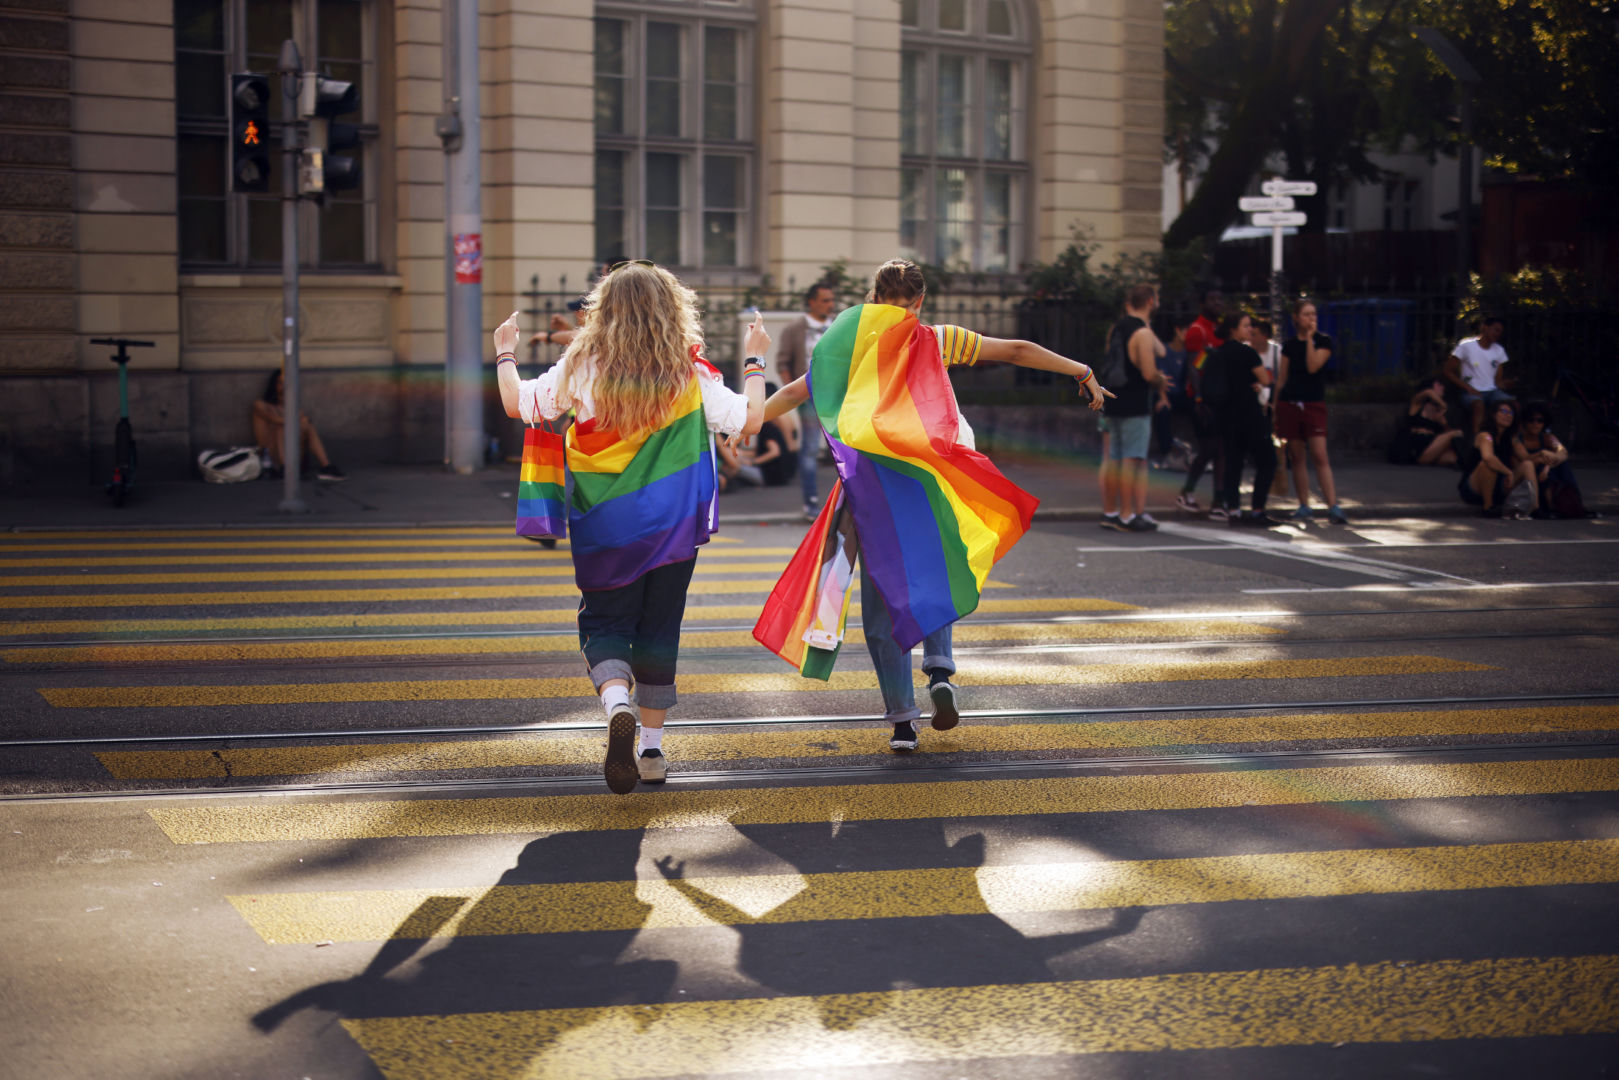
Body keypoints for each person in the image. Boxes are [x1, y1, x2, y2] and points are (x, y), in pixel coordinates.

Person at [761, 258, 1110, 753]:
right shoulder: (936, 339)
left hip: (869, 493)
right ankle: (941, 671)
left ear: (873, 300)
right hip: (926, 486)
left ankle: (903, 723)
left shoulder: (848, 351)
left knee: (880, 609)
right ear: (919, 302)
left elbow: (797, 392)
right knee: (934, 577)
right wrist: (1082, 370)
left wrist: (745, 423)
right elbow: (1015, 349)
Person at [492, 261, 768, 794]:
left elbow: (517, 403)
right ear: (672, 311)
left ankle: (616, 703)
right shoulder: (691, 372)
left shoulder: (581, 365)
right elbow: (749, 420)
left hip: (605, 525)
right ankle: (652, 751)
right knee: (660, 629)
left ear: (605, 310)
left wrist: (506, 349)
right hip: (671, 528)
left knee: (605, 621)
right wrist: (754, 356)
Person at [1098, 283, 1167, 533]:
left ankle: (1111, 511)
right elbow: (1149, 372)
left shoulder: (1117, 328)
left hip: (1113, 400)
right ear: (1150, 301)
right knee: (1132, 460)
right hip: (1136, 403)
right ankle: (1127, 515)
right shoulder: (1143, 334)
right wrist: (1162, 381)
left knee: (1114, 458)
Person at [1275, 298, 1347, 524]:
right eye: (1306, 314)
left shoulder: (1323, 341)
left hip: (1313, 403)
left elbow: (1313, 366)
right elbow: (1282, 379)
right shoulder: (1288, 345)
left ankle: (1332, 505)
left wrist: (1309, 340)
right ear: (1296, 317)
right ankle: (1304, 504)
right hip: (1290, 403)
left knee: (1319, 454)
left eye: (1314, 314)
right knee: (1297, 456)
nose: (1311, 318)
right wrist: (1275, 407)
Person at [1207, 313, 1279, 526]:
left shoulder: (1217, 353)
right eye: (1246, 326)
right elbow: (1265, 379)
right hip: (1249, 415)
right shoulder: (1247, 353)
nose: (1250, 330)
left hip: (1226, 417)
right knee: (1268, 460)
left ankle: (1234, 510)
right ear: (1233, 329)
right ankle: (1257, 510)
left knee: (1233, 464)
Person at [776, 281, 838, 520]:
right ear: (811, 302)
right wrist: (794, 396)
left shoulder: (837, 327)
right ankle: (811, 504)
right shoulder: (795, 329)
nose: (830, 305)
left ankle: (848, 505)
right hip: (810, 396)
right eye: (825, 300)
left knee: (847, 450)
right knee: (810, 449)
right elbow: (783, 363)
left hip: (838, 396)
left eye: (832, 300)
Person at [251, 368, 345, 482]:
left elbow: (302, 423)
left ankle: (326, 466)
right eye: (280, 383)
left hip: (293, 456)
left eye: (287, 384)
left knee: (307, 428)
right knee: (283, 427)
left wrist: (303, 421)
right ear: (273, 385)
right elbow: (277, 420)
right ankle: (284, 468)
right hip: (269, 456)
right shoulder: (260, 405)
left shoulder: (292, 409)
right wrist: (300, 420)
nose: (283, 388)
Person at [1458, 399, 1535, 518]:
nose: (1508, 415)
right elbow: (1488, 457)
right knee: (1487, 465)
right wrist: (1508, 472)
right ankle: (1488, 507)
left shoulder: (1512, 438)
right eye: (1503, 411)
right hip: (1474, 488)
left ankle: (1534, 507)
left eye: (1511, 413)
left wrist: (1546, 455)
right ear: (1493, 414)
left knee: (1527, 465)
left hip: (1500, 485)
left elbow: (1527, 457)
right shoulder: (1485, 436)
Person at [1515, 401, 1590, 518]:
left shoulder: (1548, 437)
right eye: (1531, 420)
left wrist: (1548, 466)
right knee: (1542, 465)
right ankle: (1550, 506)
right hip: (1524, 479)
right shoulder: (1517, 439)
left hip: (1545, 473)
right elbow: (1526, 458)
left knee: (1562, 464)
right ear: (1525, 422)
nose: (1536, 424)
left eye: (1540, 420)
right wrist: (1542, 454)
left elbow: (1563, 453)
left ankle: (1575, 502)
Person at [1444, 315, 1515, 433]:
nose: (1497, 334)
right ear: (1485, 328)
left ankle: (1512, 440)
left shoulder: (1498, 350)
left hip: (1492, 391)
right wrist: (1467, 387)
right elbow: (1447, 370)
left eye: (1500, 332)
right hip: (1471, 391)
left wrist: (1506, 384)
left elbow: (1498, 380)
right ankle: (1478, 440)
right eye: (1495, 329)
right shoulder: (1466, 345)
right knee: (1478, 406)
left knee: (1512, 405)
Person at [1151, 311, 1193, 468]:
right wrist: (1163, 398)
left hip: (1183, 395)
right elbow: (1160, 376)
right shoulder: (1165, 351)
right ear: (1178, 330)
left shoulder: (1189, 353)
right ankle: (1167, 453)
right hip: (1166, 393)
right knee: (1162, 411)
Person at [1390, 378, 1464, 467]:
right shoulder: (1417, 404)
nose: (1442, 388)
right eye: (1439, 385)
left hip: (1431, 446)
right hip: (1417, 445)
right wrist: (1443, 405)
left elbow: (1446, 435)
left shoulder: (1439, 411)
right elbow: (1428, 392)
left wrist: (1443, 423)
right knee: (1456, 433)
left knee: (1453, 458)